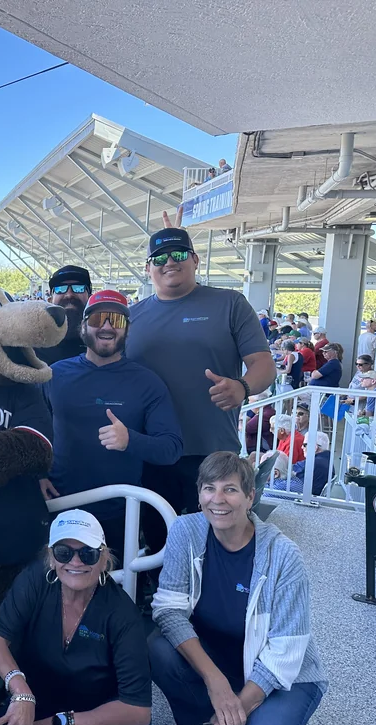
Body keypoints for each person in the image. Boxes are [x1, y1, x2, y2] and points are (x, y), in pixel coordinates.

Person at [150, 452, 327, 725]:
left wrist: (235, 714)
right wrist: (215, 682)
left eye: (230, 489)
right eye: (209, 488)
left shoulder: (283, 555)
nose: (217, 499)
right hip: (221, 660)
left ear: (250, 497)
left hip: (282, 674)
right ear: (199, 495)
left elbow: (286, 651)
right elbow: (169, 611)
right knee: (158, 648)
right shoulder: (186, 530)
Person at [125, 224, 276, 554]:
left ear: (195, 260)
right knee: (155, 542)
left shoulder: (230, 304)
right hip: (150, 452)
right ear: (148, 267)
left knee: (219, 543)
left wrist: (243, 386)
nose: (169, 262)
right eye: (159, 256)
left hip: (211, 451)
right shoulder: (130, 316)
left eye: (179, 254)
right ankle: (160, 601)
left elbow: (264, 364)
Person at [0, 510, 152, 725]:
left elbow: (138, 710)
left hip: (99, 701)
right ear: (51, 558)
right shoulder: (34, 579)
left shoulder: (123, 614)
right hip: (39, 690)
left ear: (104, 560)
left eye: (88, 553)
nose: (75, 562)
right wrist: (21, 691)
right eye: (64, 552)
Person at [41, 290, 181, 563]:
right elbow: (30, 431)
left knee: (112, 590)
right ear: (83, 326)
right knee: (55, 593)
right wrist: (37, 474)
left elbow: (172, 448)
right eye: (98, 318)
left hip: (118, 513)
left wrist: (131, 440)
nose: (106, 326)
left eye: (115, 320)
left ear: (126, 330)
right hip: (58, 509)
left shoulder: (147, 383)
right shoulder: (54, 375)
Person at [32, 265, 92, 365]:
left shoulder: (101, 340)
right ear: (50, 299)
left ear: (90, 298)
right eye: (60, 289)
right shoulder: (32, 341)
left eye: (78, 288)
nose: (69, 294)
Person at [292, 432, 331, 496]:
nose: (302, 447)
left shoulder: (314, 463)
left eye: (304, 445)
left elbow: (297, 482)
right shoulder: (327, 459)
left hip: (307, 497)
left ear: (315, 447)